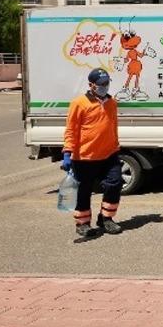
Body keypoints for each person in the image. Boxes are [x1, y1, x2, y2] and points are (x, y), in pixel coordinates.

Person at [61, 68, 123, 239]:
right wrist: (67, 152)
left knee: (115, 184)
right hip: (85, 157)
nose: (105, 86)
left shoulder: (112, 103)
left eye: (107, 83)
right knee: (83, 191)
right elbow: (71, 130)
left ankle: (106, 219)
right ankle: (82, 224)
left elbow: (113, 126)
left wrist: (116, 145)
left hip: (109, 154)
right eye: (101, 84)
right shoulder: (79, 103)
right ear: (91, 85)